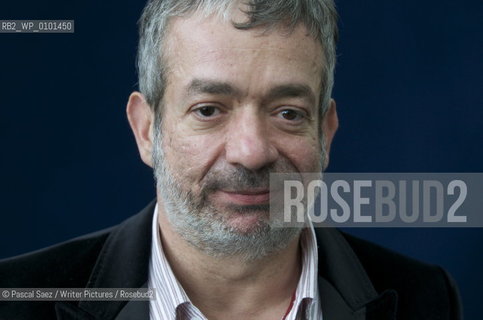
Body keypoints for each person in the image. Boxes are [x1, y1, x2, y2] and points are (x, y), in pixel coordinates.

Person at [0, 0, 462, 319]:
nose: (251, 152)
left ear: (325, 132)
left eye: (287, 112)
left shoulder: (427, 300)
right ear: (146, 130)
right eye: (208, 109)